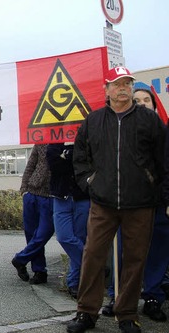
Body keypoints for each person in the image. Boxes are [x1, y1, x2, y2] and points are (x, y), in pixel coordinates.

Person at [67, 67, 165, 333]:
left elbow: (163, 161)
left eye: (127, 84)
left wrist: (158, 192)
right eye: (117, 84)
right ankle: (86, 313)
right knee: (93, 255)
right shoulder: (93, 120)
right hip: (103, 203)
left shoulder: (149, 120)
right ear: (106, 88)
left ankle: (127, 314)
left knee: (135, 260)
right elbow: (80, 158)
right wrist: (90, 182)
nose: (123, 88)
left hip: (141, 204)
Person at [134, 88, 169, 322]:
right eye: (137, 101)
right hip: (133, 203)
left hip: (159, 201)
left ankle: (156, 293)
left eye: (147, 100)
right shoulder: (122, 132)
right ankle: (124, 297)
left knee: (159, 251)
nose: (143, 104)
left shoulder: (163, 132)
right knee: (134, 253)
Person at [45, 143, 89, 298]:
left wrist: (66, 156)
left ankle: (74, 283)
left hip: (83, 196)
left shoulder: (85, 138)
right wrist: (68, 158)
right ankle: (93, 266)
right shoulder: (54, 142)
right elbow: (54, 165)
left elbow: (85, 165)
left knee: (80, 239)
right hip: (61, 196)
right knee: (64, 237)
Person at [11, 144, 54, 285]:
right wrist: (24, 189)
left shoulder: (67, 141)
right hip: (32, 193)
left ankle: (20, 259)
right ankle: (39, 271)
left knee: (43, 234)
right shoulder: (41, 141)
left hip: (52, 196)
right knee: (31, 234)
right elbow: (31, 165)